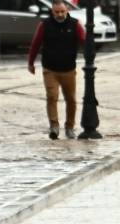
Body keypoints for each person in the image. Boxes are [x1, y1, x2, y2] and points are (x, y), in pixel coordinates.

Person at [27, 0, 86, 140]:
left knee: (71, 99)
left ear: (67, 10)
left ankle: (70, 127)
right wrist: (31, 62)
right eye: (56, 12)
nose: (59, 14)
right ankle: (54, 126)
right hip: (50, 69)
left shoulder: (75, 24)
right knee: (52, 96)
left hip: (68, 69)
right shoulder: (44, 25)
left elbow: (84, 41)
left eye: (62, 11)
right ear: (52, 11)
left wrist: (89, 52)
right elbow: (35, 44)